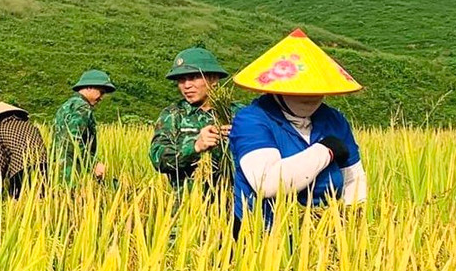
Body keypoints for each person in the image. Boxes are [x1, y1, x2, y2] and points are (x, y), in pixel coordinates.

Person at [228, 28, 367, 233]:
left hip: (322, 231)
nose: (309, 96)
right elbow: (268, 183)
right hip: (261, 235)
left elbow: (354, 179)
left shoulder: (334, 120)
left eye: (315, 89)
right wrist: (325, 150)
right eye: (299, 89)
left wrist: (352, 225)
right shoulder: (251, 120)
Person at [149, 46, 231, 203]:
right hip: (187, 210)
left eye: (193, 77)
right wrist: (195, 147)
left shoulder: (236, 114)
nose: (186, 85)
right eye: (181, 80)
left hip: (234, 211)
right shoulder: (173, 116)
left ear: (213, 79)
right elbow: (158, 158)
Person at [52, 69, 115, 184]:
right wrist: (93, 164)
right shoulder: (82, 108)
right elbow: (73, 140)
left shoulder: (67, 106)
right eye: (101, 92)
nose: (101, 97)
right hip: (73, 173)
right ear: (89, 87)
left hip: (59, 170)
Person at [0, 102, 47, 198]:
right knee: (43, 197)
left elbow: (0, 163)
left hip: (20, 167)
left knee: (17, 199)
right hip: (43, 165)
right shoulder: (32, 127)